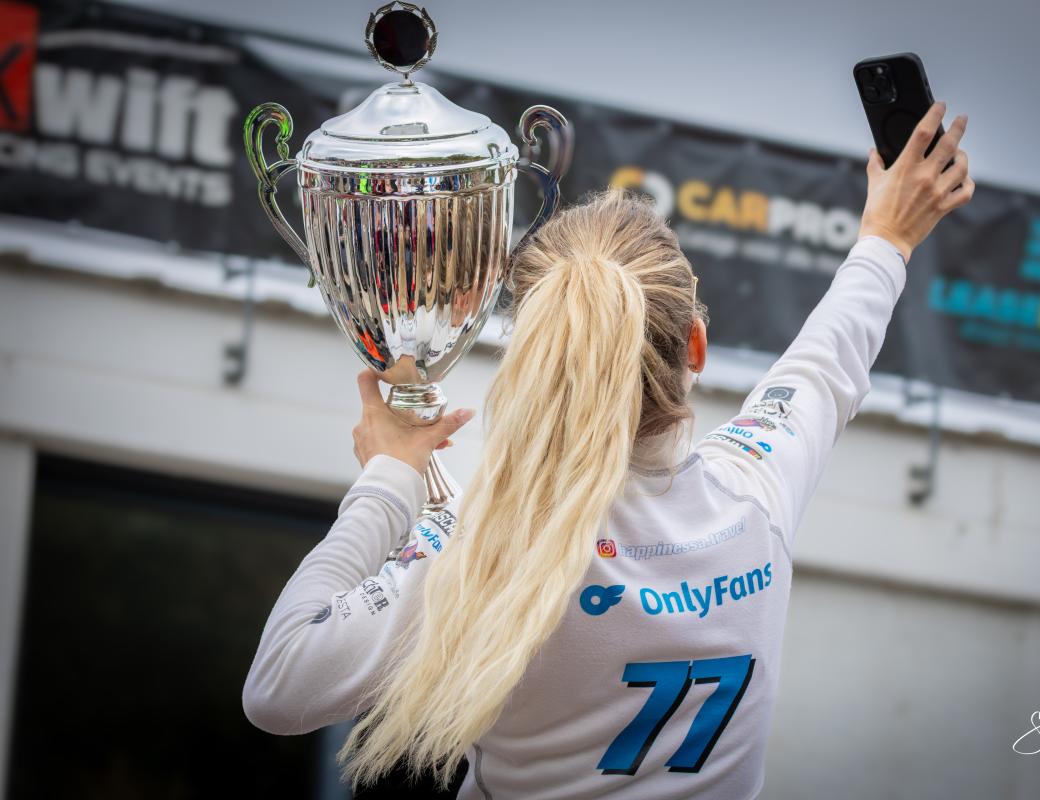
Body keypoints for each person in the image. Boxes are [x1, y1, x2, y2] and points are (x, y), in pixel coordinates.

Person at [243, 102, 973, 799]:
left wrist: (387, 479)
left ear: (533, 356)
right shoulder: (754, 491)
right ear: (696, 346)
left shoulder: (486, 547)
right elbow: (828, 360)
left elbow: (279, 686)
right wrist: (888, 234)